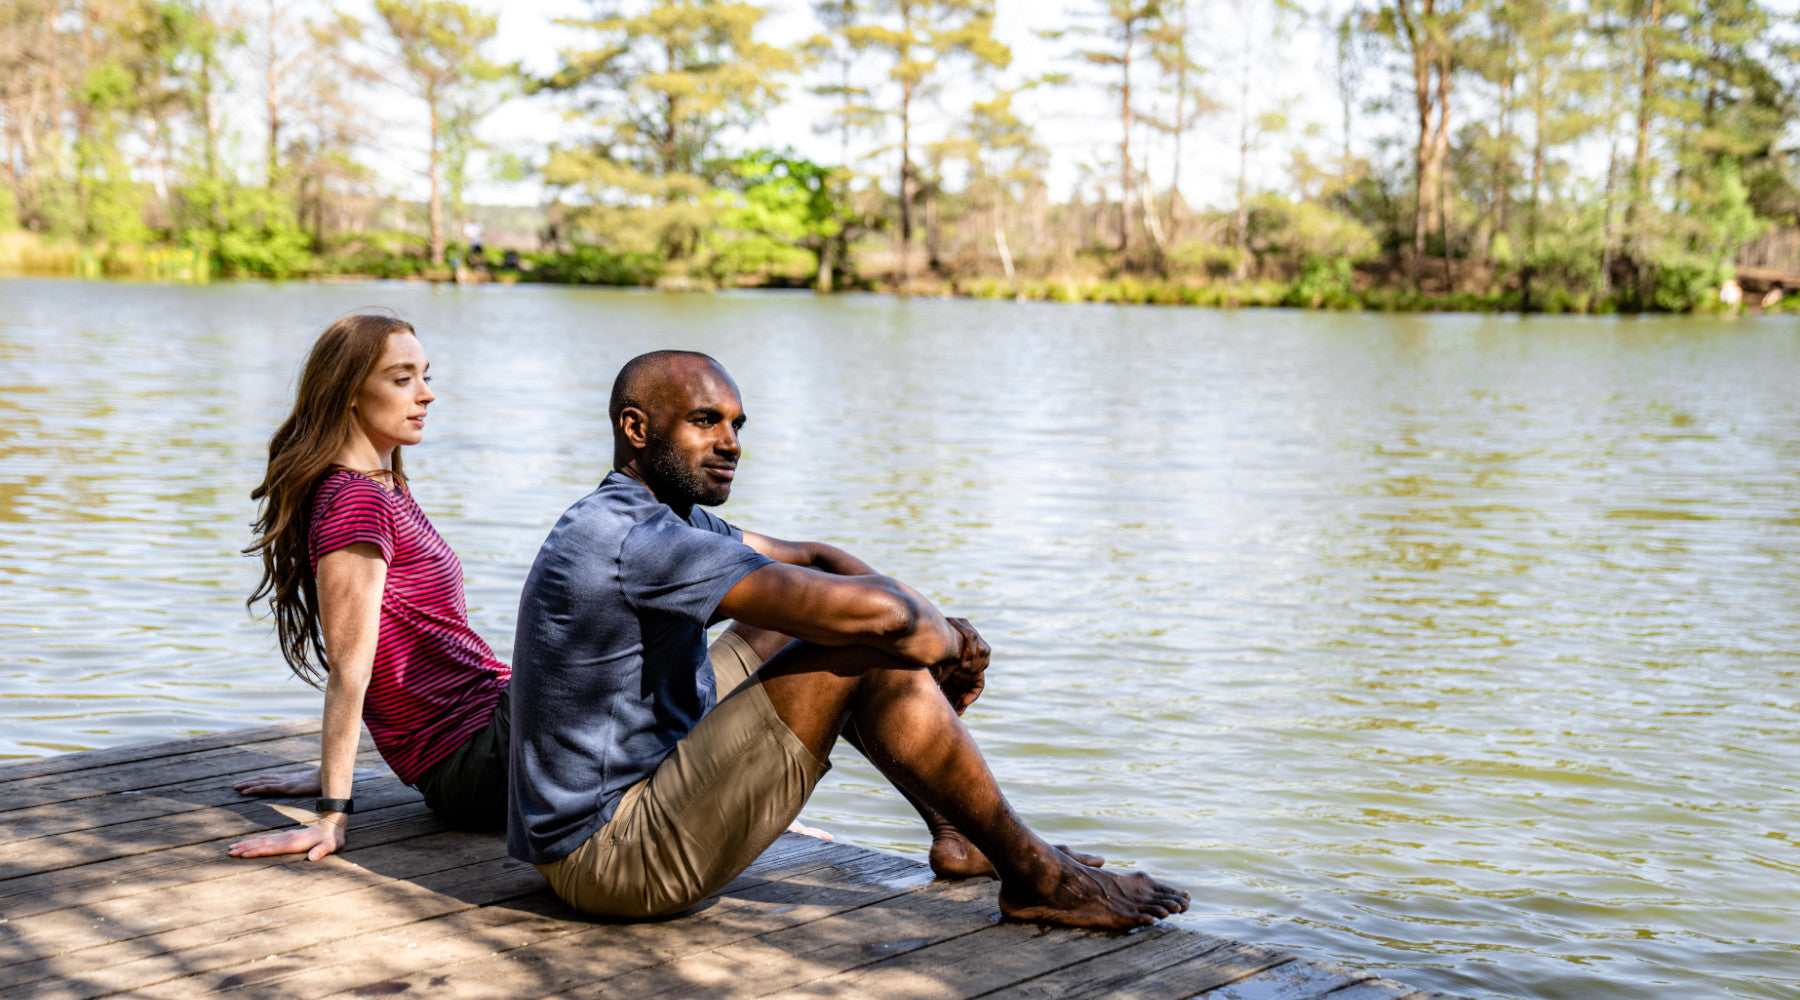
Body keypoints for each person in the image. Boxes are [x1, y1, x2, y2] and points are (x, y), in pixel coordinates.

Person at [507, 350, 1190, 929]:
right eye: (705, 421)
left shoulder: (656, 518)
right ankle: (1040, 877)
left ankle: (959, 833)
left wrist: (933, 626)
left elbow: (814, 559)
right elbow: (887, 622)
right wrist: (947, 644)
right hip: (611, 860)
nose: (731, 442)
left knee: (796, 617)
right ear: (636, 427)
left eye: (737, 425)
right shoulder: (639, 540)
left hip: (615, 811)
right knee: (862, 648)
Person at [229, 313, 511, 860]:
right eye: (403, 379)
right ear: (350, 393)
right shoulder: (358, 502)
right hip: (475, 760)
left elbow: (398, 641)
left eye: (426, 376)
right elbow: (351, 665)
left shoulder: (384, 488)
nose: (426, 394)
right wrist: (332, 813)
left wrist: (322, 770)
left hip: (491, 728)